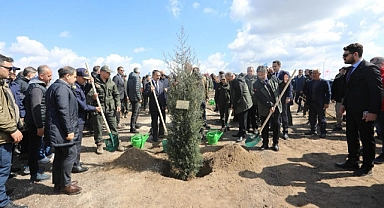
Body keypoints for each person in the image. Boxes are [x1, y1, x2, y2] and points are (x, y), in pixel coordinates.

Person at [335, 43, 382, 177]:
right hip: (351, 110)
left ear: (355, 54)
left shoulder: (369, 69)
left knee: (367, 139)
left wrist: (373, 111)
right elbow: (349, 90)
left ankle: (367, 166)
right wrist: (344, 104)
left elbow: (376, 91)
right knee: (351, 136)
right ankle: (352, 160)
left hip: (365, 112)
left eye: (346, 55)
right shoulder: (350, 70)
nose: (343, 57)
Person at [45, 66, 81, 195]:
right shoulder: (61, 88)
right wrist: (69, 130)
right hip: (61, 130)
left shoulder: (56, 86)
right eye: (75, 76)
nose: (75, 79)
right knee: (70, 154)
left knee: (60, 156)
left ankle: (59, 183)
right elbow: (63, 111)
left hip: (58, 129)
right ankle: (65, 185)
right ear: (67, 76)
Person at [0, 54, 28, 208]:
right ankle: (3, 202)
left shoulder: (3, 85)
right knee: (2, 169)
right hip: (3, 135)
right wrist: (12, 128)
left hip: (5, 134)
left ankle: (1, 193)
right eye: (8, 68)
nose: (12, 71)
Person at [24, 65, 52, 183]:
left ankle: (34, 169)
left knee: (35, 147)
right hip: (35, 124)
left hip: (36, 123)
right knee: (34, 148)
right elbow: (37, 109)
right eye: (49, 75)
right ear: (41, 76)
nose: (51, 78)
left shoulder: (39, 87)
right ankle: (34, 173)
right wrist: (40, 126)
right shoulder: (37, 89)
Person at [87, 65, 124, 154]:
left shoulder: (111, 83)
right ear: (102, 72)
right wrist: (93, 96)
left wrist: (118, 104)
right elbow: (88, 96)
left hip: (110, 108)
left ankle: (116, 142)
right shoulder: (94, 82)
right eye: (107, 72)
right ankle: (99, 144)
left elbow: (116, 95)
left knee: (113, 126)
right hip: (99, 108)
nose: (109, 74)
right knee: (98, 127)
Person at [73, 68, 101, 173]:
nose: (85, 81)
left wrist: (89, 84)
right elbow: (83, 106)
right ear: (78, 77)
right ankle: (75, 165)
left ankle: (76, 162)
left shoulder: (80, 86)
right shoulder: (75, 88)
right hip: (77, 118)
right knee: (77, 143)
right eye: (83, 79)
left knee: (77, 142)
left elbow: (84, 91)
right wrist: (94, 108)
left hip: (80, 118)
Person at [253, 66, 282, 151]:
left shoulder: (273, 79)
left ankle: (275, 143)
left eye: (262, 74)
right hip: (264, 108)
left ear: (266, 73)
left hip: (276, 107)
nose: (261, 77)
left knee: (276, 125)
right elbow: (260, 97)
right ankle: (265, 143)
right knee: (265, 126)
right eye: (259, 75)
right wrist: (270, 105)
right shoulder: (256, 84)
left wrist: (285, 81)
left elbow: (281, 86)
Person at [225, 72, 253, 142]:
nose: (227, 81)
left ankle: (242, 135)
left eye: (228, 79)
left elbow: (239, 95)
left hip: (244, 103)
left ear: (232, 76)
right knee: (240, 119)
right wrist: (232, 103)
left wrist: (234, 105)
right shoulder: (232, 82)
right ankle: (240, 132)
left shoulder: (239, 82)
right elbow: (232, 94)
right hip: (239, 103)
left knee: (243, 120)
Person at [303, 69, 331, 138]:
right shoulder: (309, 83)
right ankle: (313, 130)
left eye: (315, 73)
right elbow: (308, 92)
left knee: (321, 118)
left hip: (320, 104)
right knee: (312, 118)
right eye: (313, 73)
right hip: (311, 103)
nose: (314, 75)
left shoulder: (324, 82)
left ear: (319, 74)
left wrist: (327, 102)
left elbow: (328, 93)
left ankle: (323, 132)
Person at [272, 60, 292, 140]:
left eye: (275, 66)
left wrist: (288, 96)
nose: (274, 68)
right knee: (277, 115)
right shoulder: (273, 75)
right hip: (275, 98)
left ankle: (285, 131)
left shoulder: (284, 74)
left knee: (284, 114)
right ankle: (277, 129)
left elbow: (289, 86)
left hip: (283, 98)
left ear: (279, 66)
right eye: (273, 66)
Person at [144, 70, 166, 142]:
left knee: (163, 121)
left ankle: (161, 134)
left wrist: (165, 104)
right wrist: (150, 90)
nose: (158, 77)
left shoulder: (161, 83)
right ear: (153, 76)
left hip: (161, 106)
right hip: (154, 106)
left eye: (159, 75)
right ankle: (155, 137)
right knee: (154, 122)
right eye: (157, 75)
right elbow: (145, 95)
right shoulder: (148, 84)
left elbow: (163, 95)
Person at [370, 56, 384, 164]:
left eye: (374, 64)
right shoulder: (376, 75)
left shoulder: (382, 75)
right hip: (377, 108)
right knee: (378, 130)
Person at [331, 67, 348, 131]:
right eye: (342, 71)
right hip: (339, 98)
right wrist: (332, 97)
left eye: (345, 71)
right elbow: (333, 89)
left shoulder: (351, 79)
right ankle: (339, 124)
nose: (343, 72)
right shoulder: (337, 80)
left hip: (349, 99)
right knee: (338, 112)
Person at [127, 67, 142, 133]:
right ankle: (132, 127)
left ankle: (134, 124)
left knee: (135, 112)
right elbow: (137, 89)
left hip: (132, 97)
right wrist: (139, 98)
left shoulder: (130, 77)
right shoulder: (136, 77)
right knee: (135, 112)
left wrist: (129, 96)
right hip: (136, 98)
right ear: (138, 72)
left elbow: (128, 88)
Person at [244, 66, 258, 133]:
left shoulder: (256, 78)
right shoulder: (244, 79)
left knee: (254, 115)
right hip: (246, 100)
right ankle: (247, 128)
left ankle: (254, 127)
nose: (249, 72)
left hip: (254, 100)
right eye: (248, 71)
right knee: (247, 115)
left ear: (253, 72)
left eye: (251, 71)